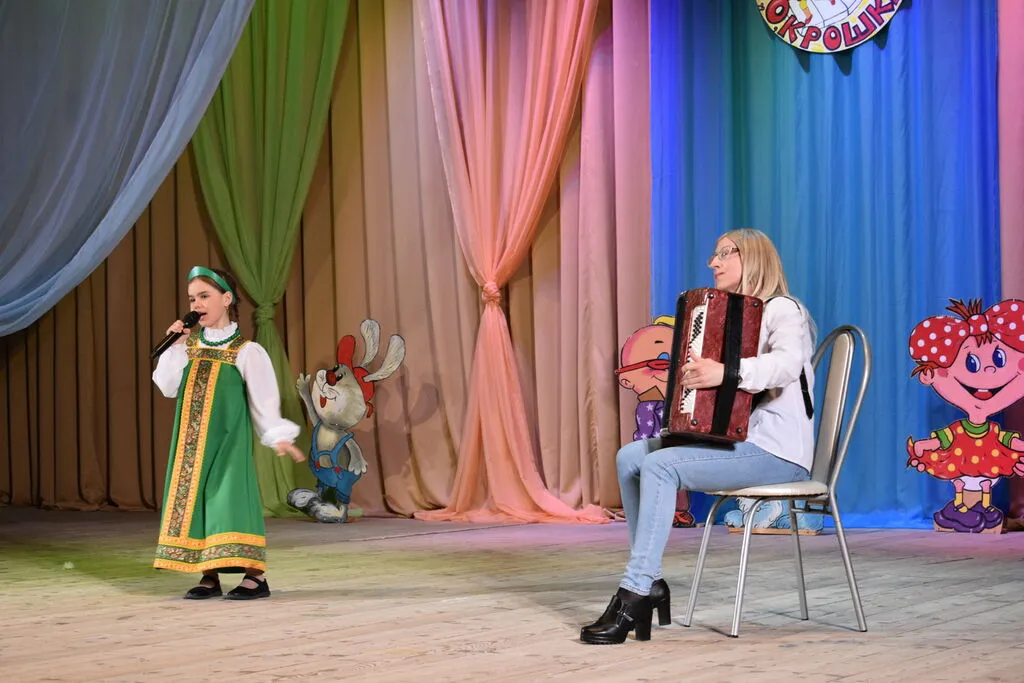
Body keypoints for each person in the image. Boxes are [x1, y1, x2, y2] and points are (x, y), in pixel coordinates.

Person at [580, 229, 817, 644]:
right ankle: (651, 581)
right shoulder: (735, 320)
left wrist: (724, 372)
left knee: (660, 465)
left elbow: (786, 365)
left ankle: (634, 591)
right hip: (739, 444)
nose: (713, 262)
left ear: (753, 257)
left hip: (778, 452)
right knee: (630, 457)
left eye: (724, 253)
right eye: (713, 254)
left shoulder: (783, 308)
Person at [152, 266, 304, 600]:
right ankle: (209, 575)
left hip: (227, 442)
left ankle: (256, 577)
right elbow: (166, 386)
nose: (197, 304)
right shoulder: (188, 347)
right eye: (192, 298)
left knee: (228, 501)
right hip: (191, 445)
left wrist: (276, 433)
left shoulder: (245, 351)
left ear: (226, 299)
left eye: (204, 296)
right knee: (199, 503)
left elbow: (264, 399)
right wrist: (175, 345)